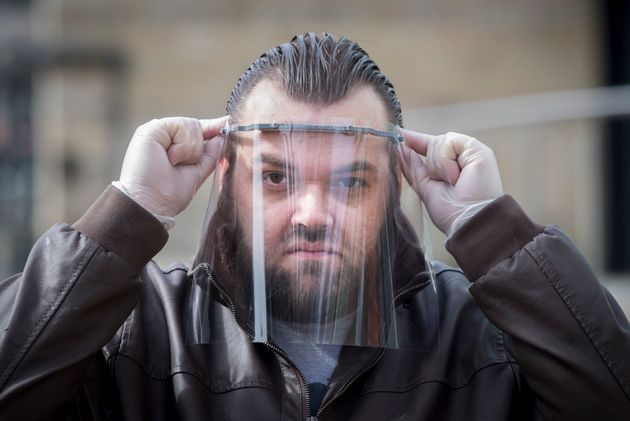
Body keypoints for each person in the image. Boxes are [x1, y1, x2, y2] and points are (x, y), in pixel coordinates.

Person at [1, 32, 629, 421]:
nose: (312, 213)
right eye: (275, 178)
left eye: (352, 182)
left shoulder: (484, 336)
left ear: (394, 192)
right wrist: (128, 213)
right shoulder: (136, 331)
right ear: (225, 181)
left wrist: (493, 234)